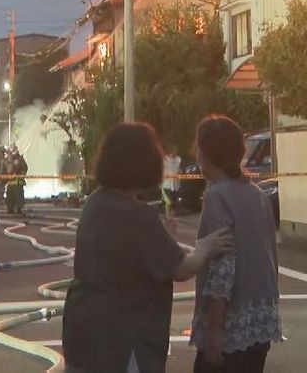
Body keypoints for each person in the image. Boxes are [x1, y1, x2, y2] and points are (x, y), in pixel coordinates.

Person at [62, 122, 234, 373]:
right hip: (124, 337)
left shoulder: (96, 202)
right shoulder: (137, 215)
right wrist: (205, 248)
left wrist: (160, 234)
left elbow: (132, 250)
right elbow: (181, 269)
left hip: (84, 327)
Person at [190, 116, 282, 372]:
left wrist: (214, 330)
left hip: (231, 327)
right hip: (261, 321)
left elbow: (224, 267)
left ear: (206, 153)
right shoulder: (256, 194)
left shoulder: (217, 196)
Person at [4, 146, 29, 215]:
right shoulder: (8, 160)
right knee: (10, 199)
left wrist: (21, 175)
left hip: (18, 183)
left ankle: (18, 209)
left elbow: (24, 168)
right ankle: (10, 209)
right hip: (10, 183)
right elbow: (5, 170)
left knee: (18, 198)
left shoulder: (20, 160)